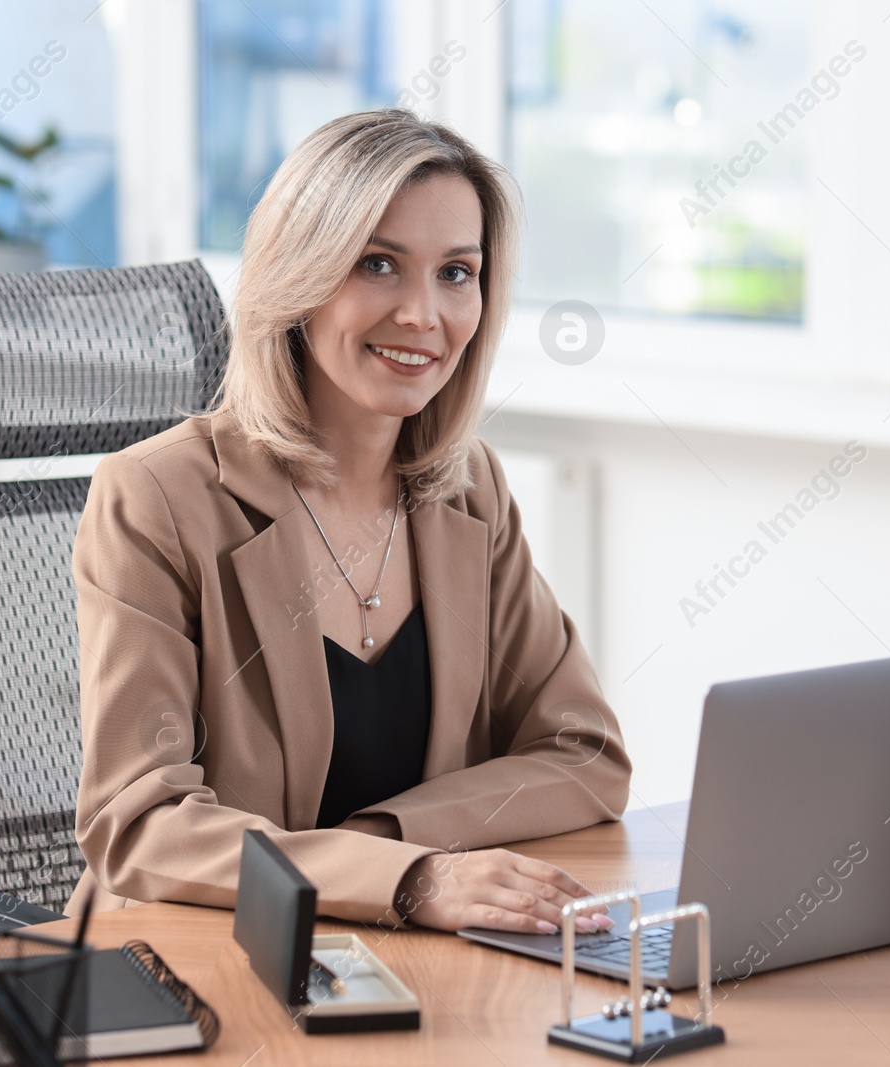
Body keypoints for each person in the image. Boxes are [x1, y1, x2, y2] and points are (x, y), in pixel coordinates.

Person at [66, 108, 630, 936]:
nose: (421, 315)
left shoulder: (469, 492)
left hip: (414, 960)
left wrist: (383, 846)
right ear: (299, 274)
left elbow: (584, 752)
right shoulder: (155, 498)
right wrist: (407, 878)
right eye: (378, 263)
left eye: (456, 273)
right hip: (200, 959)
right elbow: (140, 823)